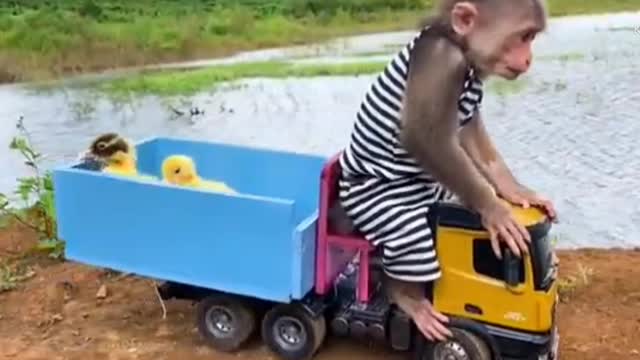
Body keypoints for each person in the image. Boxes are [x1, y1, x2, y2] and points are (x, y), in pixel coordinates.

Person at [337, 0, 557, 342]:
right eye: (521, 37)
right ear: (466, 20)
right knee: (415, 237)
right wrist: (488, 202)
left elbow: (472, 136)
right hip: (376, 185)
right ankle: (403, 293)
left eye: (532, 39)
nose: (527, 58)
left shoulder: (467, 68)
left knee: (456, 221)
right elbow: (425, 139)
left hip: (416, 181)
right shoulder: (440, 55)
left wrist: (510, 188)